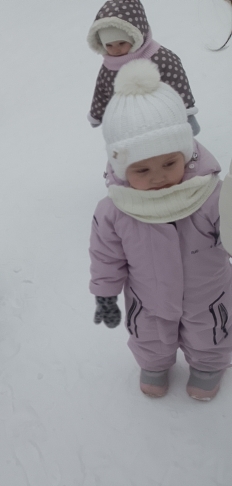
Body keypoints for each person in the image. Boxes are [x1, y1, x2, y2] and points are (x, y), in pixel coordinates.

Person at [89, 59, 232, 401]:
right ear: (121, 169)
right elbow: (106, 257)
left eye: (169, 162)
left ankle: (208, 367)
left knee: (211, 332)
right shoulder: (115, 211)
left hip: (209, 296)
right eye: (142, 170)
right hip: (148, 299)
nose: (159, 177)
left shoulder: (210, 196)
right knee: (149, 335)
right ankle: (154, 366)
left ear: (187, 153)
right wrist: (105, 293)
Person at [86, 0, 200, 135]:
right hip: (129, 124)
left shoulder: (159, 58)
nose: (115, 50)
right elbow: (102, 91)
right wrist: (97, 114)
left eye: (121, 43)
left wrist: (187, 113)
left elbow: (178, 84)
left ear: (135, 37)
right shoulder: (109, 67)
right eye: (109, 45)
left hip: (163, 117)